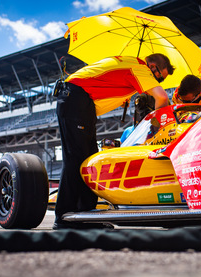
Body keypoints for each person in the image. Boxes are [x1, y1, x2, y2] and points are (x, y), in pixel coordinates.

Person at [54, 53, 174, 229]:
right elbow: (162, 97)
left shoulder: (129, 63)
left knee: (88, 160)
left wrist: (123, 95)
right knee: (76, 160)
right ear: (153, 66)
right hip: (76, 101)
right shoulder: (139, 67)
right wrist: (159, 124)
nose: (157, 82)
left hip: (80, 102)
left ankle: (83, 215)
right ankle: (64, 217)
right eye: (159, 78)